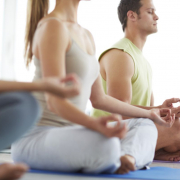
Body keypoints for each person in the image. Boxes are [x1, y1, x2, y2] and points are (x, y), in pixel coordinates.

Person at [11, 0, 174, 175]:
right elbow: (55, 102)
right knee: (106, 143)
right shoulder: (53, 27)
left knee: (145, 125)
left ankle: (126, 158)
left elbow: (100, 99)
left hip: (72, 135)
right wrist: (95, 125)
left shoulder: (86, 35)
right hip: (38, 137)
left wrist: (151, 112)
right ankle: (116, 156)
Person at [92, 0, 180, 120]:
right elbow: (120, 113)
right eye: (150, 12)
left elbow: (148, 114)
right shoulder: (121, 55)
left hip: (134, 132)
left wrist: (163, 110)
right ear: (132, 15)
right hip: (107, 133)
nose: (157, 17)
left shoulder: (145, 63)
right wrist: (159, 111)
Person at [0, 74, 80, 180]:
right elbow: (54, 102)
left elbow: (99, 99)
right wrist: (42, 85)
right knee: (26, 103)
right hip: (38, 133)